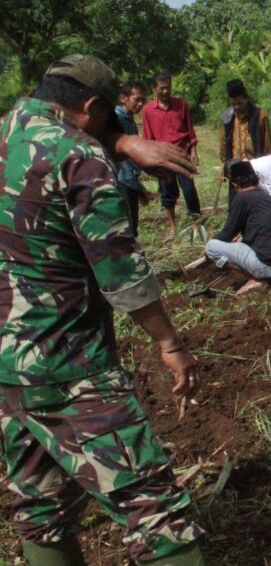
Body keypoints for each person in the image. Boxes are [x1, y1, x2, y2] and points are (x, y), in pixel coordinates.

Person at [0, 55, 204, 566]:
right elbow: (120, 271)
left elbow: (68, 135)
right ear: (90, 106)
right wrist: (170, 343)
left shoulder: (9, 132)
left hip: (7, 366)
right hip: (66, 361)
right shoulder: (78, 158)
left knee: (40, 501)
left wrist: (121, 141)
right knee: (154, 506)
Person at [205, 160, 271, 295]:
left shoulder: (242, 198)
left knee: (212, 247)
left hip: (268, 266)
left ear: (234, 183)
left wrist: (209, 245)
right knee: (241, 242)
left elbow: (227, 234)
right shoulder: (267, 197)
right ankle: (266, 273)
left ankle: (257, 278)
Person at [142, 73, 202, 241]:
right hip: (163, 159)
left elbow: (190, 131)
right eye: (162, 88)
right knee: (167, 194)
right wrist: (151, 161)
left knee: (189, 191)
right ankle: (172, 228)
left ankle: (196, 227)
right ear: (155, 89)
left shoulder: (181, 105)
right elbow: (148, 137)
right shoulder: (148, 110)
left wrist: (194, 151)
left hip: (182, 154)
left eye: (168, 87)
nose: (166, 91)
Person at [114, 80, 152, 237]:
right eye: (137, 99)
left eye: (143, 100)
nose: (140, 104)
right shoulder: (118, 119)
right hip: (122, 180)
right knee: (128, 229)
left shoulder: (129, 118)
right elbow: (125, 158)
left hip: (129, 178)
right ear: (123, 98)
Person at [220, 78, 271, 163]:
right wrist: (224, 166)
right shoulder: (227, 117)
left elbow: (268, 147)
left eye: (240, 103)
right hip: (234, 167)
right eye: (233, 104)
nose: (237, 107)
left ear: (246, 99)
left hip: (255, 166)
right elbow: (224, 144)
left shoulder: (260, 115)